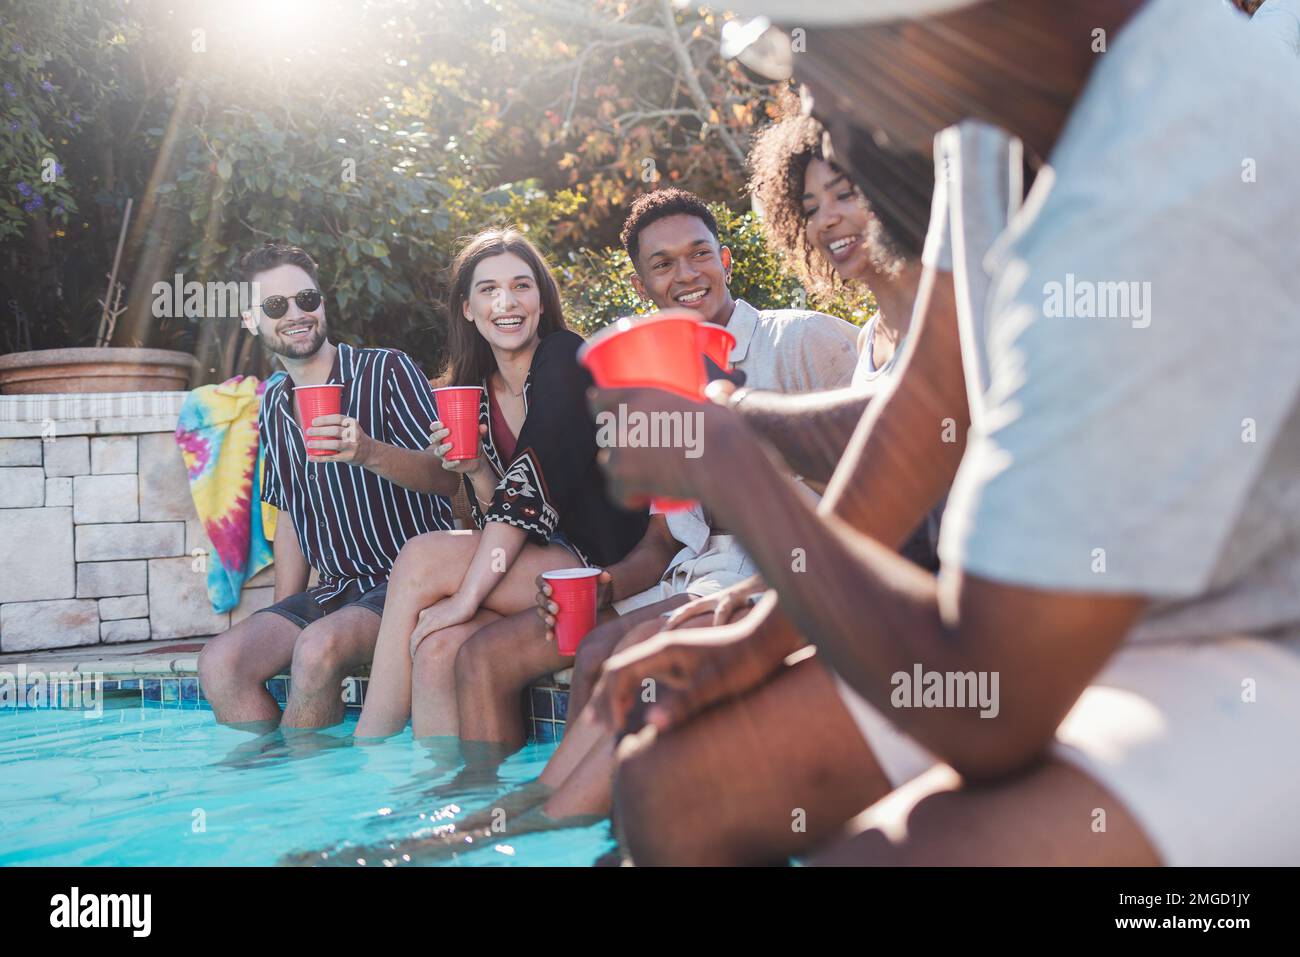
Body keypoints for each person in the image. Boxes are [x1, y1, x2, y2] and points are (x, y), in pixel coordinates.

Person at [589, 0, 1300, 866]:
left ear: (923, 23)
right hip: (1070, 623)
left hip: (1254, 649)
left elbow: (990, 700)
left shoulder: (1172, 167)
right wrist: (761, 636)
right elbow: (927, 403)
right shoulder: (987, 118)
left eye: (825, 74)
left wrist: (739, 474)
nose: (828, 127)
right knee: (671, 784)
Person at [450, 188, 863, 752]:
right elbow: (665, 538)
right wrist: (606, 585)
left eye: (700, 253)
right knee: (483, 656)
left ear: (727, 260)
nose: (687, 275)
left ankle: (562, 819)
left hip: (786, 570)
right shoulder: (653, 381)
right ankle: (494, 813)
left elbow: (879, 474)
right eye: (662, 265)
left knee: (608, 658)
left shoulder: (800, 340)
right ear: (642, 285)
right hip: (692, 572)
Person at [352, 227, 649, 740]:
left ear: (541, 298)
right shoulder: (474, 394)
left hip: (600, 567)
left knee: (422, 558)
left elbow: (532, 491)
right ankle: (456, 806)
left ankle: (369, 756)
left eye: (521, 286)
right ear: (467, 309)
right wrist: (474, 470)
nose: (506, 302)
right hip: (539, 560)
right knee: (437, 651)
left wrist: (466, 598)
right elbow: (506, 516)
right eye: (488, 290)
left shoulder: (566, 357)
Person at [198, 243, 456, 732]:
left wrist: (368, 452)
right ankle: (276, 786)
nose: (296, 313)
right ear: (252, 321)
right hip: (337, 589)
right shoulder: (273, 404)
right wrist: (283, 612)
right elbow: (292, 512)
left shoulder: (386, 371)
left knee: (316, 649)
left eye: (307, 299)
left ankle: (306, 795)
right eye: (276, 306)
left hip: (409, 583)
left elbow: (447, 479)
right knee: (220, 665)